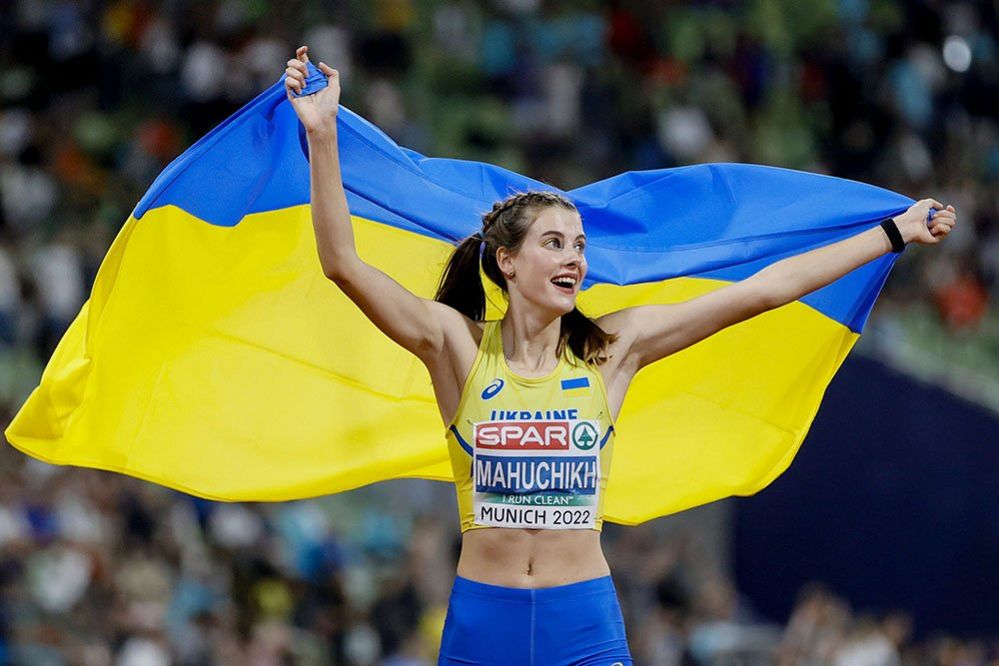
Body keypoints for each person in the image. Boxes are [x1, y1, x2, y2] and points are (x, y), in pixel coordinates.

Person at [283, 46, 957, 666]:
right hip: (482, 621)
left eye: (579, 245)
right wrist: (321, 135)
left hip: (583, 622)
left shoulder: (613, 349)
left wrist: (891, 234)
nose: (574, 256)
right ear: (508, 261)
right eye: (554, 243)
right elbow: (342, 264)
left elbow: (762, 290)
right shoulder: (455, 346)